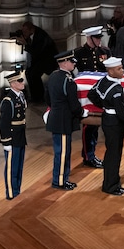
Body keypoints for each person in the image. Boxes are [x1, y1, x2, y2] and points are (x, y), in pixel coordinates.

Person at [87, 57, 124, 196]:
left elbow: (92, 94)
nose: (122, 70)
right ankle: (111, 186)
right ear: (110, 71)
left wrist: (104, 105)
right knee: (114, 155)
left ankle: (111, 183)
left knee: (112, 153)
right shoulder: (115, 89)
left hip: (107, 119)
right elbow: (122, 113)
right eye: (119, 69)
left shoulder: (103, 81)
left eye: (121, 67)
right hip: (115, 122)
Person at [45, 50, 87, 190]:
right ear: (64, 63)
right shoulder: (68, 81)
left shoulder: (52, 77)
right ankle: (60, 181)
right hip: (63, 121)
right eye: (71, 61)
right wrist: (82, 112)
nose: (74, 64)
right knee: (63, 153)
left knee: (60, 151)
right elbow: (74, 105)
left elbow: (47, 98)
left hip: (55, 118)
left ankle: (60, 178)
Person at [73, 25, 110, 168]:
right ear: (89, 38)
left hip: (102, 94)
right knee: (89, 126)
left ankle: (94, 155)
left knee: (102, 125)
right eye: (97, 38)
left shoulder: (105, 51)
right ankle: (88, 156)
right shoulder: (78, 53)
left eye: (100, 38)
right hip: (87, 96)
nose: (99, 41)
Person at [0, 70, 28, 200]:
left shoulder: (21, 95)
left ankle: (17, 190)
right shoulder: (8, 100)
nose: (23, 83)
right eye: (20, 81)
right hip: (12, 138)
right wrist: (6, 142)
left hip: (20, 136)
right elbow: (3, 123)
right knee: (12, 167)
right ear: (12, 83)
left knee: (19, 166)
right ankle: (11, 193)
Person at [15, 20, 58, 103]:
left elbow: (36, 52)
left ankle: (40, 97)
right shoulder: (32, 34)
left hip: (48, 60)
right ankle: (34, 96)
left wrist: (26, 44)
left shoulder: (40, 36)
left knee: (34, 74)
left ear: (31, 30)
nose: (24, 33)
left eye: (25, 31)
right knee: (28, 72)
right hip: (39, 59)